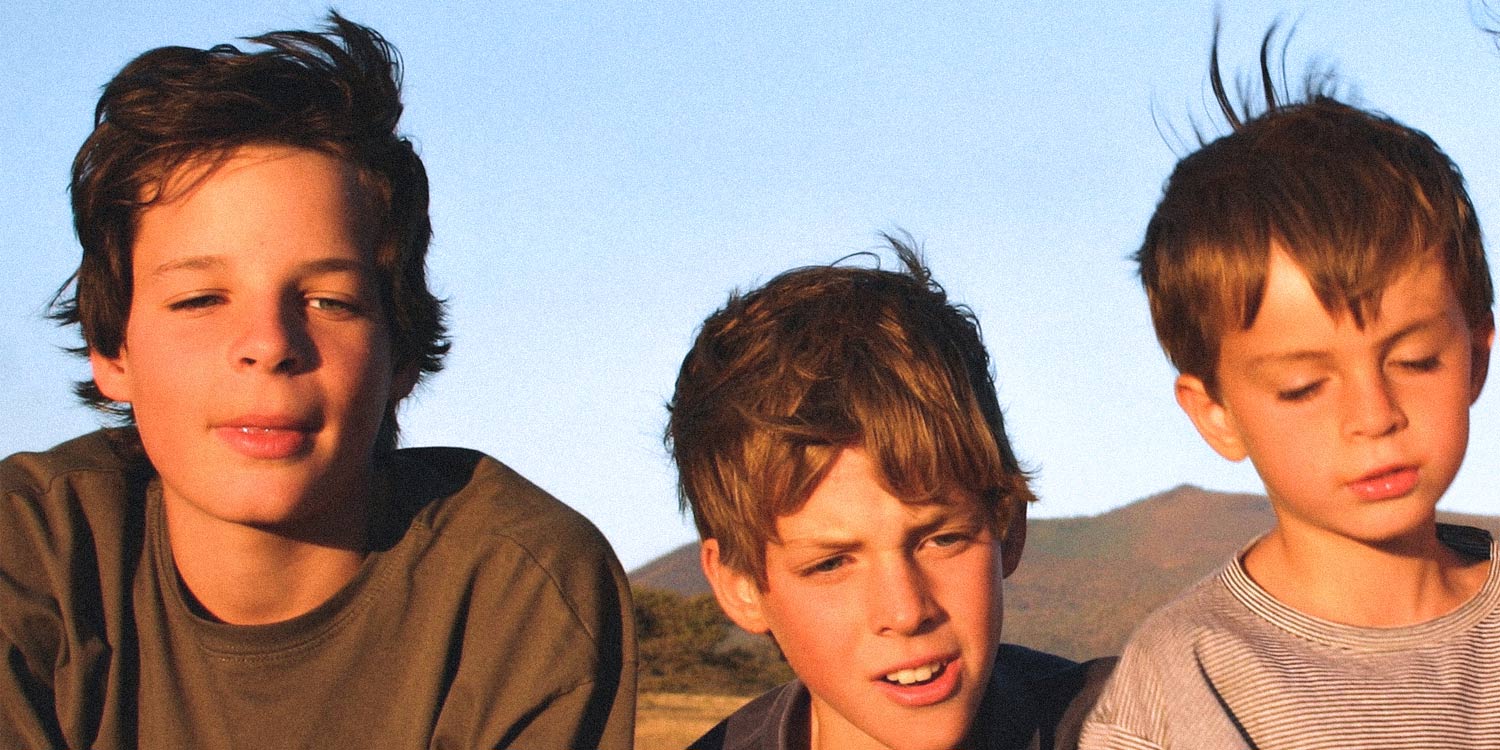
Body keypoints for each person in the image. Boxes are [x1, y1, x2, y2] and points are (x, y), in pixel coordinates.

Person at [0, 14, 634, 749]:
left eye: (331, 302)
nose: (270, 345)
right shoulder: (34, 552)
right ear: (112, 350)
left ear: (401, 352)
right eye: (200, 299)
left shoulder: (515, 588)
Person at [1079, 25, 1498, 750]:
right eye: (1304, 387)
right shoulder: (1183, 684)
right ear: (1216, 415)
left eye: (1415, 360)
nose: (1373, 416)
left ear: (1476, 358)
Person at [666, 236, 1115, 750]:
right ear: (742, 586)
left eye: (942, 539)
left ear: (1007, 527)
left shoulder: (1145, 725)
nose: (906, 612)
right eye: (831, 564)